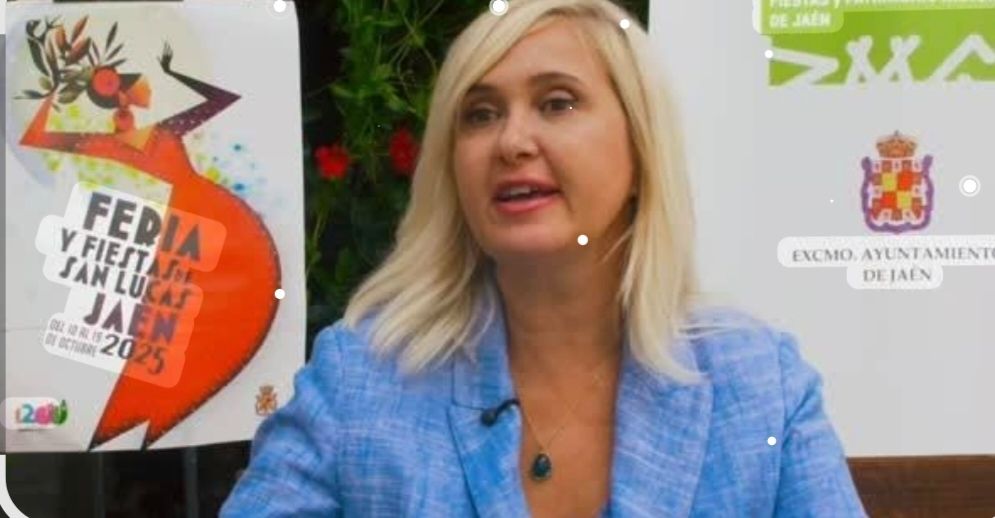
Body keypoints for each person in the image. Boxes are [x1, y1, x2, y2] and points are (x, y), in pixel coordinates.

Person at [221, 0, 866, 516]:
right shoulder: (360, 379)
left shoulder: (760, 386)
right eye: (480, 115)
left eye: (557, 103)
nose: (512, 141)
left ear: (640, 150)